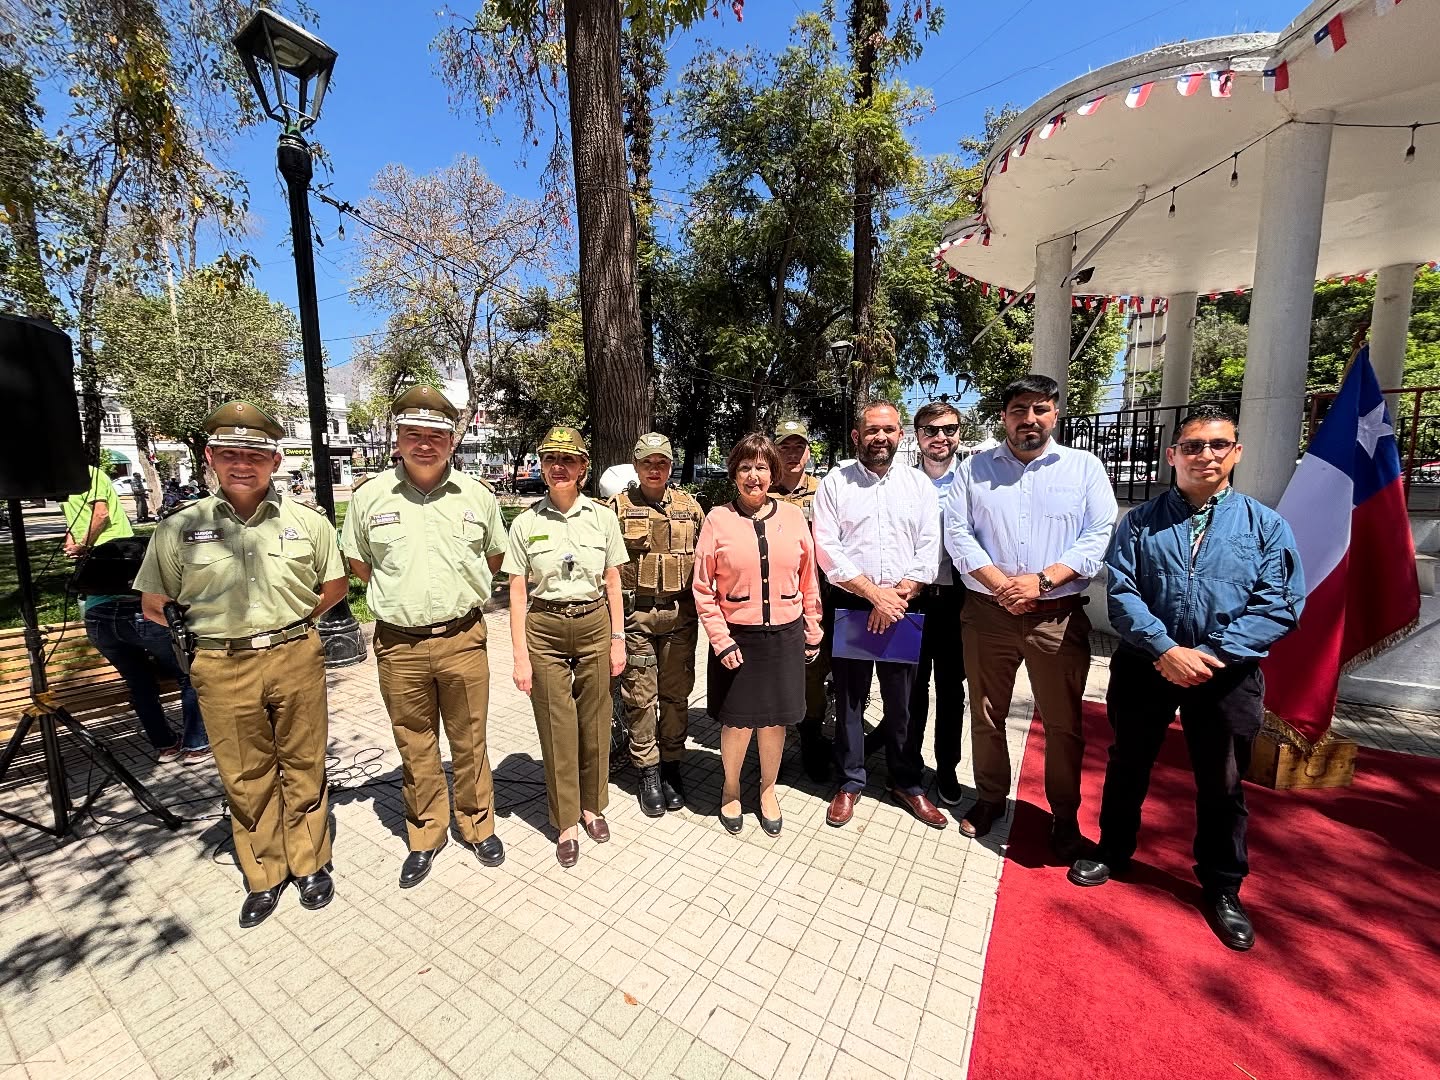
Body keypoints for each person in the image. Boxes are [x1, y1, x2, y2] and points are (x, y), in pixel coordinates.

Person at [1069, 406, 1303, 951]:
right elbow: (1121, 591)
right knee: (1128, 763)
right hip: (1147, 665)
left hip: (1226, 675)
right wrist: (1166, 649)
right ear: (1173, 455)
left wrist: (1210, 654)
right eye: (1194, 446)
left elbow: (1280, 604)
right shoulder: (1141, 522)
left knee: (1222, 784)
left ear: (1236, 453)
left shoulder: (1266, 527)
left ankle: (1223, 886)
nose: (1206, 456)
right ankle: (1112, 850)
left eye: (1218, 445)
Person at [135, 401, 349, 929]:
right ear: (210, 457)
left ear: (274, 460)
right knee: (244, 773)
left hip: (295, 654)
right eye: (230, 453)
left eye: (254, 454)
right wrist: (204, 633)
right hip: (221, 663)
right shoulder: (180, 528)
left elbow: (336, 585)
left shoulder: (308, 523)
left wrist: (291, 622)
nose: (242, 464)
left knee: (303, 765)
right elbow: (152, 601)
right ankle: (264, 874)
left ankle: (310, 863)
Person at [943, 374, 1118, 858]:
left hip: (1056, 617)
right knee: (985, 714)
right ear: (1005, 416)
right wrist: (1003, 586)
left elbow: (1097, 535)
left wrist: (1040, 583)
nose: (1030, 419)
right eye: (1019, 409)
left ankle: (1063, 815)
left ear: (1055, 414)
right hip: (987, 614)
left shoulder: (1084, 469)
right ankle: (992, 798)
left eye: (1040, 409)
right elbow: (958, 534)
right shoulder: (973, 469)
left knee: (1062, 723)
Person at [341, 385, 509, 889]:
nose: (424, 443)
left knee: (470, 739)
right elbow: (359, 564)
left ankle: (478, 825)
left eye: (435, 434)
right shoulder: (370, 496)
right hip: (400, 645)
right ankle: (425, 835)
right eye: (413, 434)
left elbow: (495, 558)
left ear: (451, 440)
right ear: (398, 438)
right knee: (415, 744)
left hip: (462, 638)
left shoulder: (477, 496)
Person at [812, 402, 947, 830]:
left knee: (902, 703)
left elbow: (930, 548)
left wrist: (897, 597)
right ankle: (850, 780)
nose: (880, 437)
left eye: (889, 429)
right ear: (857, 436)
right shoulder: (835, 483)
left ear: (901, 436)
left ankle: (906, 782)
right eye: (872, 430)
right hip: (853, 605)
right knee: (850, 701)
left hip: (905, 607)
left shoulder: (919, 486)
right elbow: (827, 548)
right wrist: (874, 595)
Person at [503, 426, 628, 868]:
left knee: (595, 722)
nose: (559, 467)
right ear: (542, 465)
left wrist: (618, 639)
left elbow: (613, 582)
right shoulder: (525, 522)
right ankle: (565, 822)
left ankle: (593, 807)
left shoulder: (602, 517)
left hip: (594, 622)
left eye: (568, 460)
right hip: (545, 627)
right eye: (551, 458)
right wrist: (520, 654)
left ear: (583, 469)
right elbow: (517, 592)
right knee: (557, 726)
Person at [692, 434, 822, 835]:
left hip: (785, 636)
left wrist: (812, 628)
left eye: (762, 467)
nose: (754, 476)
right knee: (737, 722)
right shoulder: (717, 519)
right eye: (746, 467)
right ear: (734, 473)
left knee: (774, 722)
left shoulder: (794, 517)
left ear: (773, 473)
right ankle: (730, 787)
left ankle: (768, 789)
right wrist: (720, 638)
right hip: (737, 639)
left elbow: (808, 579)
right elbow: (703, 588)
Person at [64, 467, 208, 761]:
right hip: (135, 609)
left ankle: (165, 745)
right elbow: (100, 514)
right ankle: (196, 744)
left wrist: (80, 544)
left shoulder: (74, 476)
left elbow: (99, 513)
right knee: (189, 674)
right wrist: (80, 542)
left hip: (97, 615)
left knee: (139, 683)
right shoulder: (82, 474)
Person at [606, 433, 704, 816]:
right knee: (639, 698)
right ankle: (647, 769)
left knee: (676, 696)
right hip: (636, 618)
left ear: (670, 464)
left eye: (661, 462)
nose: (655, 469)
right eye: (647, 462)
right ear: (636, 464)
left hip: (680, 617)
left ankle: (673, 765)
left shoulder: (690, 508)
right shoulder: (616, 508)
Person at [898, 402, 968, 806]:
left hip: (958, 601)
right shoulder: (904, 483)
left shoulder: (972, 481)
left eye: (948, 429)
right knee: (912, 688)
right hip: (915, 600)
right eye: (930, 430)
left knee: (951, 689)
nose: (940, 437)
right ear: (917, 435)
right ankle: (908, 764)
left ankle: (947, 768)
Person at [772, 419, 833, 783]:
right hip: (775, 598)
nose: (792, 454)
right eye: (785, 447)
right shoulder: (764, 490)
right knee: (776, 671)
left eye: (799, 447)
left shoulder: (825, 491)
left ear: (809, 451)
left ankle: (811, 736)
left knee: (814, 671)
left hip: (817, 596)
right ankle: (773, 744)